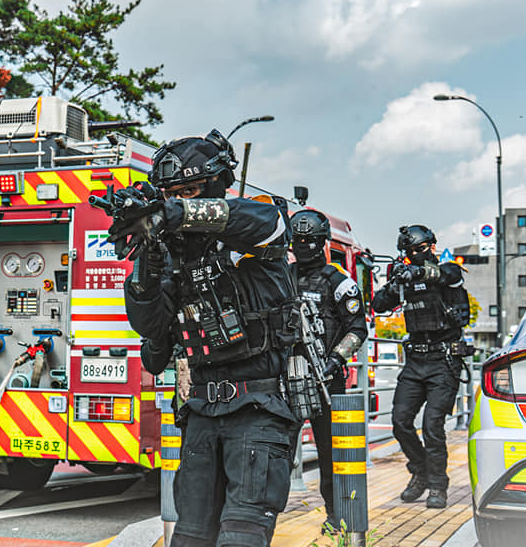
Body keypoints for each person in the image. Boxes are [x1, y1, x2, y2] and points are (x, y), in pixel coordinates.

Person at [114, 129, 297, 547]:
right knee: (190, 538)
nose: (184, 199)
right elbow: (151, 330)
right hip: (199, 412)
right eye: (174, 192)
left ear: (217, 183)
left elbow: (261, 222)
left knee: (241, 538)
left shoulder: (258, 226)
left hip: (258, 410)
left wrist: (171, 212)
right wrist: (147, 257)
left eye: (192, 190)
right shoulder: (176, 255)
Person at [371, 225, 469, 509]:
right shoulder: (405, 279)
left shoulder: (448, 272)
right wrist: (394, 283)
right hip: (415, 362)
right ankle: (420, 472)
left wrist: (420, 271)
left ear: (431, 247)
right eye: (410, 253)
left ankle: (439, 486)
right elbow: (378, 305)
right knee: (400, 422)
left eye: (420, 250)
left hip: (444, 362)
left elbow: (449, 274)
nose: (415, 256)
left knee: (432, 427)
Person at [288, 209, 368, 533]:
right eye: (299, 240)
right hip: (287, 378)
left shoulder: (339, 282)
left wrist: (335, 360)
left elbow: (357, 330)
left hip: (325, 380)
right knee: (273, 450)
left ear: (322, 242)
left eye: (310, 240)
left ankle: (337, 515)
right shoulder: (282, 276)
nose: (304, 245)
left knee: (330, 454)